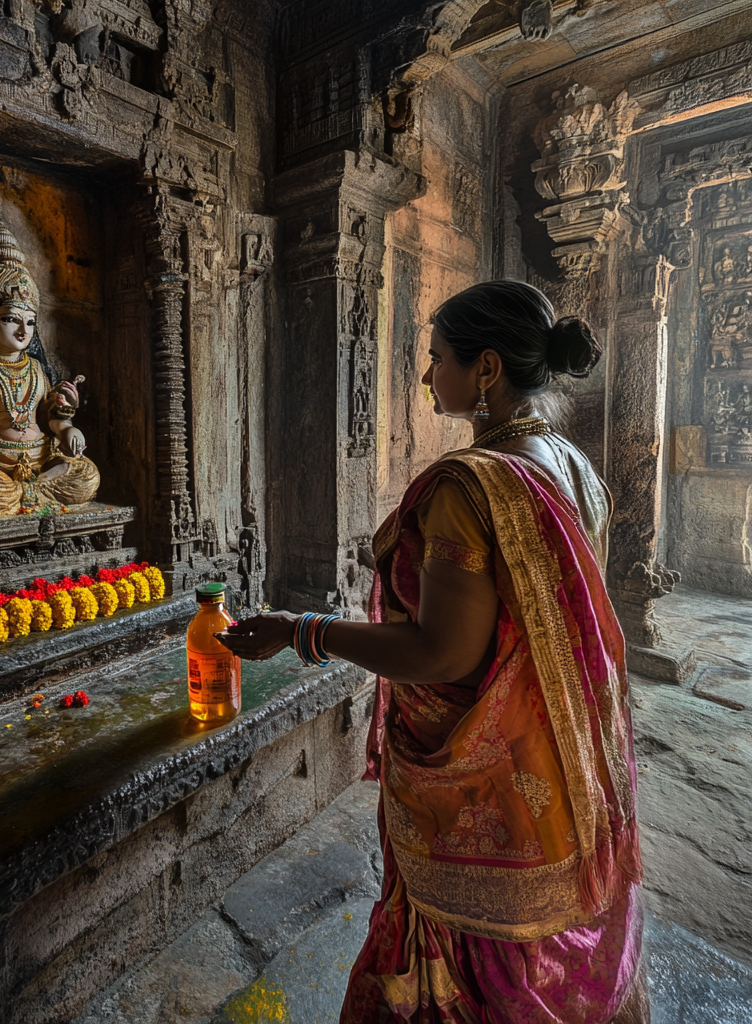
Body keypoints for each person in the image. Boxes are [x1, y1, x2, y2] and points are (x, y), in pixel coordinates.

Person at [217, 281, 647, 1024]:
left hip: (483, 778)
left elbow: (444, 654)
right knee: (536, 957)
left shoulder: (470, 486)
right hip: (566, 760)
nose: (424, 376)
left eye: (435, 358)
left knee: (461, 960)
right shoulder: (573, 467)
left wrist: (299, 631)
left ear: (485, 370)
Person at [0, 218, 100, 518]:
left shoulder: (38, 370)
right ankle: (21, 496)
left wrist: (67, 424)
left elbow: (51, 420)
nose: (22, 330)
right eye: (10, 319)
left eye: (29, 322)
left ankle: (27, 494)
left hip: (42, 461)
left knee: (88, 475)